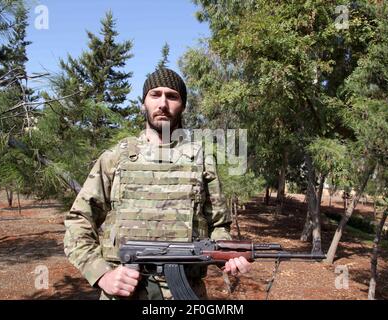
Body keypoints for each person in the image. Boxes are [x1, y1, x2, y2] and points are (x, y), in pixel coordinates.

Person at [64, 68, 251, 300]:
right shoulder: (116, 158)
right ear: (143, 103)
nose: (162, 103)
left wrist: (226, 255)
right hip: (123, 292)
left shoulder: (201, 161)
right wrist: (101, 274)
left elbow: (219, 225)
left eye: (172, 96)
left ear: (182, 105)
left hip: (184, 292)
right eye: (155, 94)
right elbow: (79, 220)